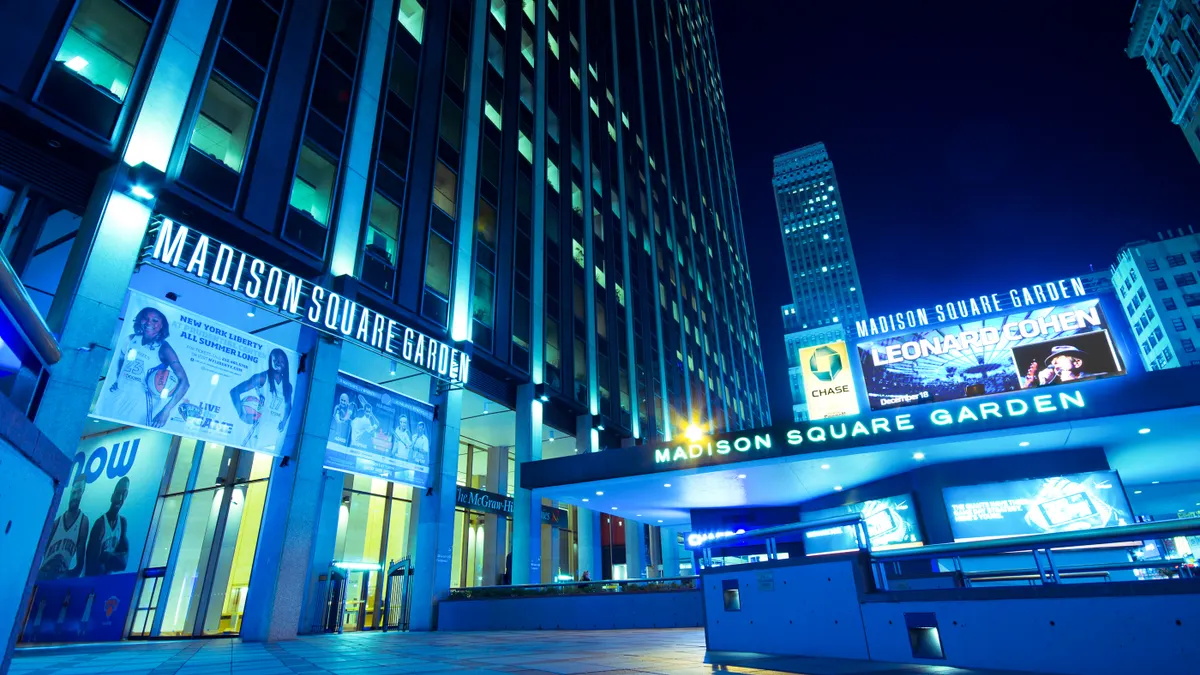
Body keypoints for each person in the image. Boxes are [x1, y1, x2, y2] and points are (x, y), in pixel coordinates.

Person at [100, 306, 189, 428]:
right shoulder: (131, 338)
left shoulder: (164, 349)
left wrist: (166, 411)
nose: (149, 323)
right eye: (145, 318)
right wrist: (118, 379)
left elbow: (185, 383)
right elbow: (121, 360)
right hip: (118, 395)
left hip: (141, 404)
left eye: (155, 320)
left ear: (162, 325)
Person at [230, 348, 294, 450]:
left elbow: (288, 406)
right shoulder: (262, 378)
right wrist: (242, 414)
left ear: (286, 365)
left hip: (275, 433)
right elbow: (235, 391)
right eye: (276, 360)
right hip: (258, 429)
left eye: (282, 362)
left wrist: (284, 421)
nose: (278, 363)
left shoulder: (288, 386)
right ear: (270, 360)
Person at [38, 473, 90, 580]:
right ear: (71, 491)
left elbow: (79, 566)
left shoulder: (83, 522)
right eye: (74, 492)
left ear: (83, 493)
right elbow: (40, 555)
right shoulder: (56, 523)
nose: (75, 496)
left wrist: (66, 576)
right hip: (44, 576)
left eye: (79, 492)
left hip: (60, 578)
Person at [85, 477, 131, 576]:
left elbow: (123, 563)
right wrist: (114, 558)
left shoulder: (122, 522)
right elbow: (93, 565)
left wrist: (106, 556)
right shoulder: (100, 524)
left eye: (124, 494)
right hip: (91, 582)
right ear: (112, 496)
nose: (120, 498)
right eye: (118, 493)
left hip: (106, 580)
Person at [1025, 345, 1106, 387]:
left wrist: (1073, 383)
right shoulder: (1055, 386)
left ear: (1077, 363)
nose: (1055, 367)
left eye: (1057, 362)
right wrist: (1045, 383)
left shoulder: (1101, 378)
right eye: (1052, 365)